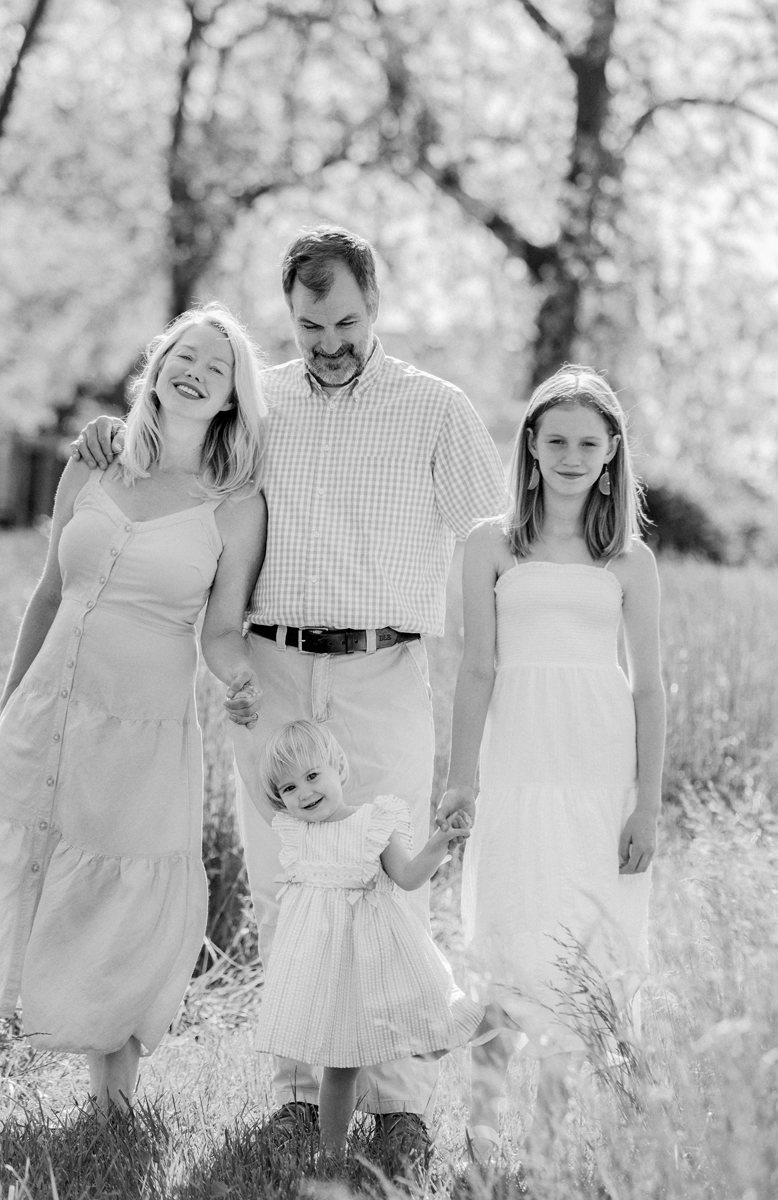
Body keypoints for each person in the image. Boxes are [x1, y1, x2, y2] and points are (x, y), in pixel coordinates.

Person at [72, 225, 506, 1154]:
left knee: (384, 878)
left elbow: (491, 540)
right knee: (284, 884)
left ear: (375, 306)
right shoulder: (260, 406)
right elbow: (176, 457)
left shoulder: (435, 408)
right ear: (291, 317)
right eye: (311, 326)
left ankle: (395, 1098)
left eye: (345, 321)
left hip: (384, 667)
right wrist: (116, 436)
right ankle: (298, 1087)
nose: (329, 343)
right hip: (267, 670)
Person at [0, 303, 268, 1115]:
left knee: (123, 885)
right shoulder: (94, 464)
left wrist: (246, 682)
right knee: (39, 864)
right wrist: (12, 705)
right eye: (181, 357)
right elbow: (49, 593)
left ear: (231, 396)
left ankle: (113, 1095)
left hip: (147, 727)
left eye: (214, 367)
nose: (194, 372)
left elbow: (221, 631)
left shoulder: (235, 504)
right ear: (155, 368)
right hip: (52, 710)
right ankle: (21, 1047)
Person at [442, 364, 665, 1159]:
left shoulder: (629, 561)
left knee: (582, 937)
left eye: (589, 443)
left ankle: (546, 1135)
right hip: (517, 767)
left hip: (598, 771)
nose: (572, 455)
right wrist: (461, 778)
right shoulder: (489, 544)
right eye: (557, 439)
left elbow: (648, 691)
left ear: (611, 456)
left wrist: (647, 804)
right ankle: (482, 1128)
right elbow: (476, 667)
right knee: (509, 925)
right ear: (532, 446)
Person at [254, 720, 496, 1161]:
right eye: (289, 788)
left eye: (312, 776)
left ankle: (474, 1045)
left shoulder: (371, 823)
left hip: (373, 957)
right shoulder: (295, 832)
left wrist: (441, 841)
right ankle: (331, 1154)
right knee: (340, 1063)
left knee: (410, 1018)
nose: (304, 793)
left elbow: (408, 876)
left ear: (338, 766)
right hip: (324, 968)